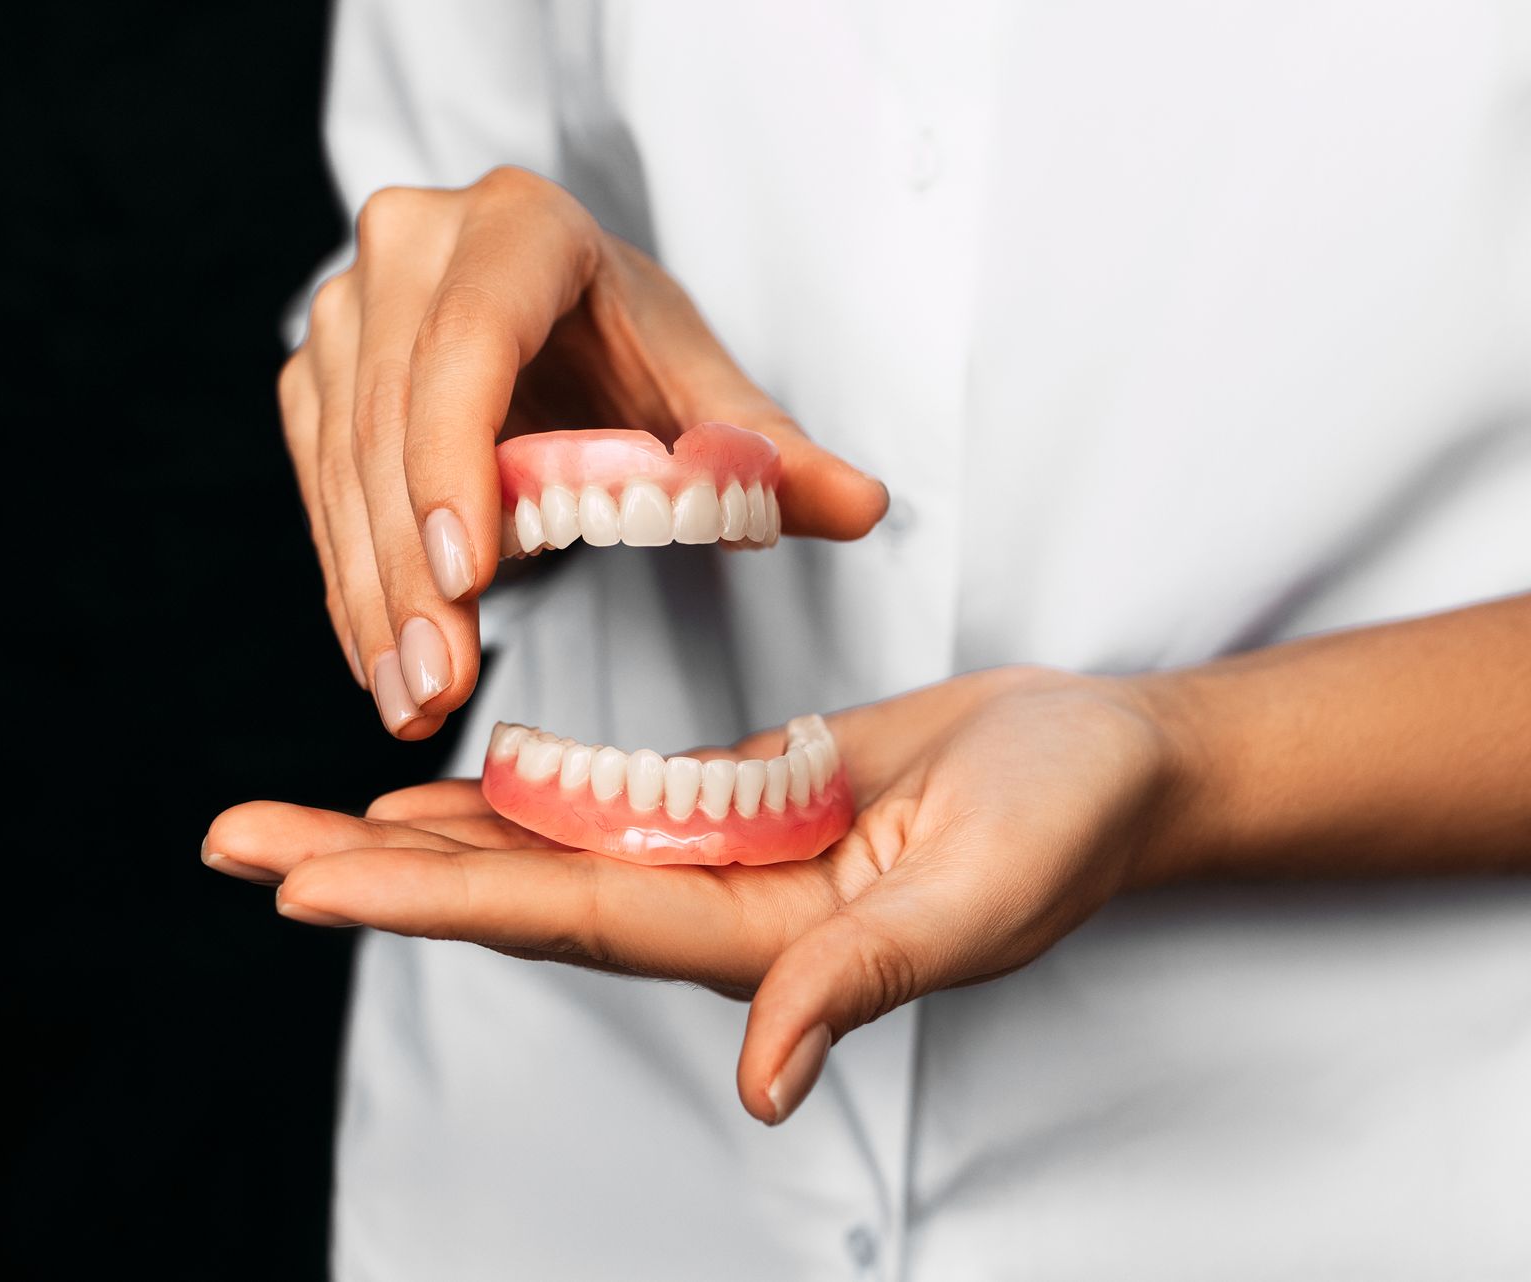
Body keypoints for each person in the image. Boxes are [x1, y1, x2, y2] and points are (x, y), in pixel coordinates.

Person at [206, 3, 1531, 1277]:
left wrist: (1185, 760)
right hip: (572, 1147)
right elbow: (425, 213)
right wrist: (466, 404)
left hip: (1352, 1166)